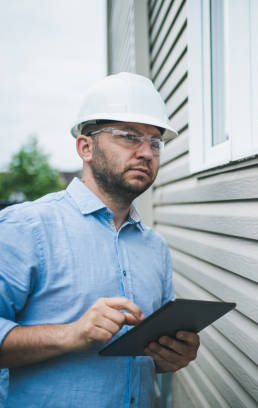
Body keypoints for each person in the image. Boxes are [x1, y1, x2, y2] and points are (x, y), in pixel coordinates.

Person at [0, 72, 199, 407]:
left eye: (155, 141)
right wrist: (71, 334)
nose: (146, 152)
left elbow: (153, 359)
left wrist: (172, 356)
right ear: (85, 147)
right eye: (129, 137)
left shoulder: (155, 248)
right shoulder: (26, 227)